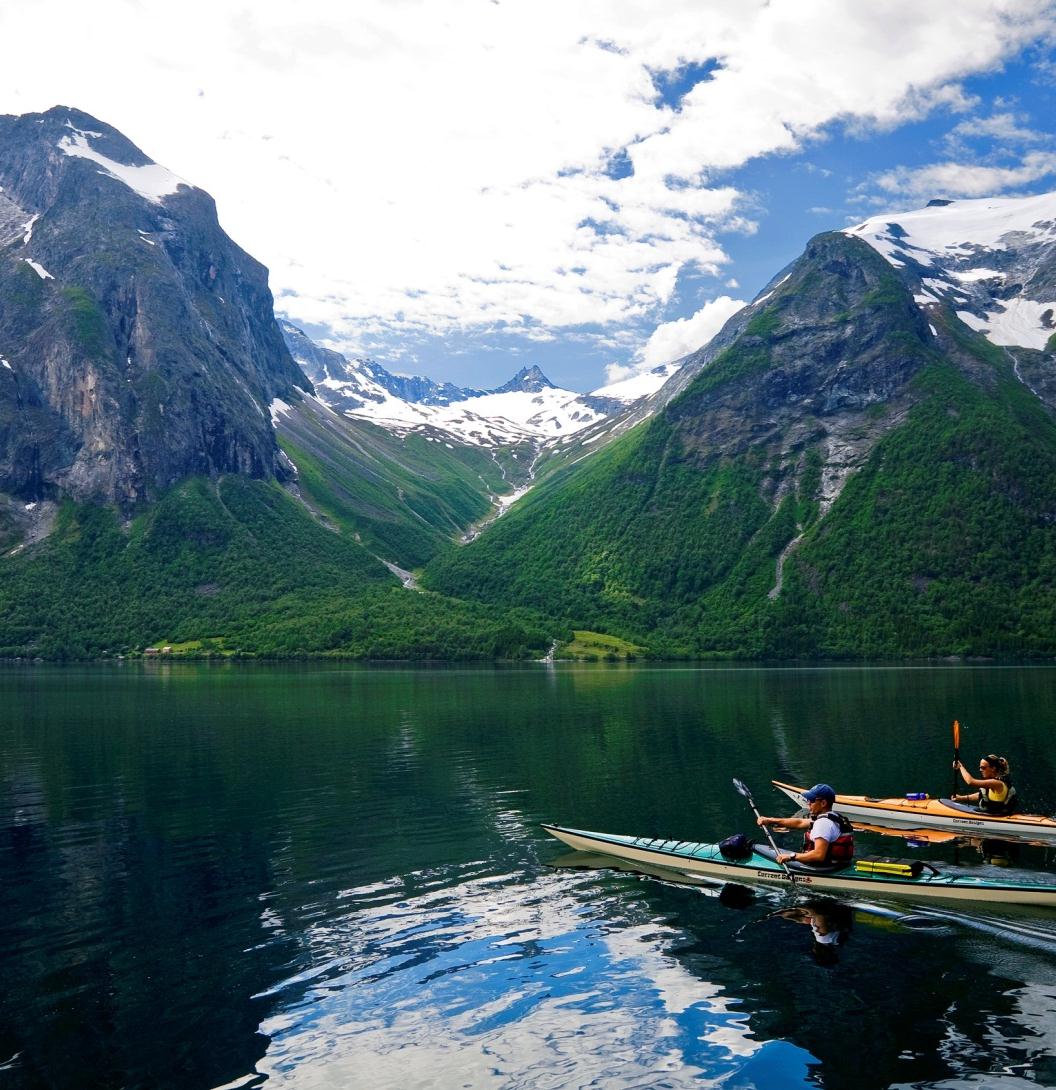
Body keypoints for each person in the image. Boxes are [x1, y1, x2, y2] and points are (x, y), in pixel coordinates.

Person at [756, 783, 854, 866]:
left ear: (823, 803)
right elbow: (799, 822)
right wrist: (771, 820)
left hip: (823, 869)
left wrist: (791, 856)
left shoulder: (823, 824)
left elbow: (818, 855)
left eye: (811, 800)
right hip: (838, 865)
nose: (808, 803)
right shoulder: (832, 817)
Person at [952, 755, 1017, 814]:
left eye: (983, 768)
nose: (980, 770)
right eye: (980, 767)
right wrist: (961, 798)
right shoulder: (992, 783)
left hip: (997, 818)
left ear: (993, 768)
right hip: (992, 815)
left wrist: (960, 766)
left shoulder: (996, 783)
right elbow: (982, 795)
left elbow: (970, 781)